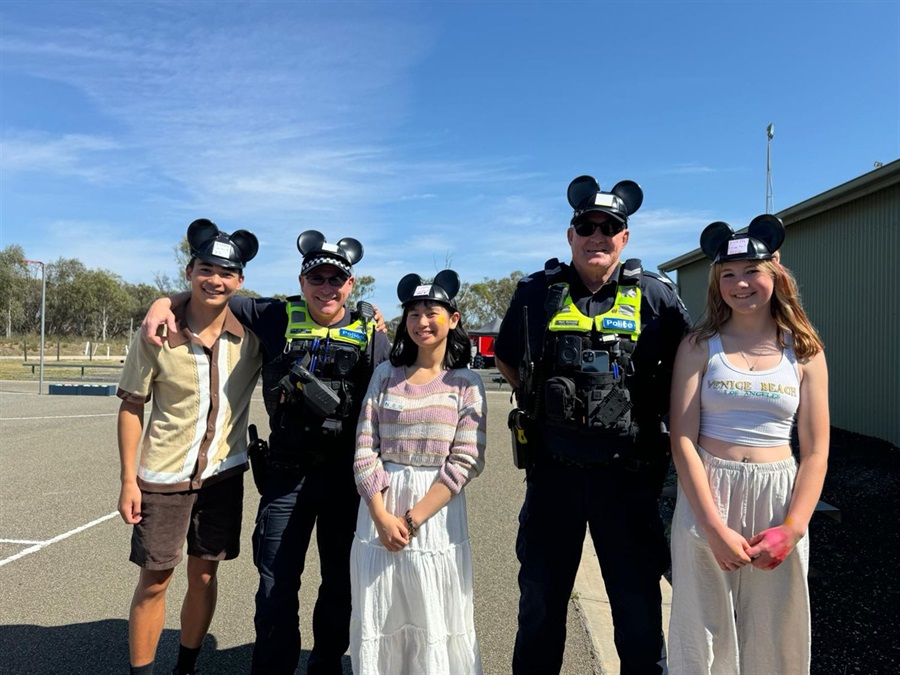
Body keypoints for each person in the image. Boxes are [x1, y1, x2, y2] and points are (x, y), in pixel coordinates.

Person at [141, 230, 391, 675]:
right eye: (317, 278)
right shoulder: (275, 315)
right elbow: (212, 293)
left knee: (339, 584)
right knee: (276, 584)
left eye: (337, 279)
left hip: (343, 481)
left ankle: (326, 664)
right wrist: (164, 301)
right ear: (301, 281)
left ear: (350, 285)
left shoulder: (370, 330)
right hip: (286, 477)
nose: (326, 287)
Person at [494, 175, 691, 674]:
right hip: (553, 475)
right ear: (570, 235)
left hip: (627, 478)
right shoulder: (535, 293)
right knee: (539, 604)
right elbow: (507, 358)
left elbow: (692, 370)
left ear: (625, 238)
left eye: (610, 227)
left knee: (638, 609)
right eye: (587, 225)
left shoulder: (655, 297)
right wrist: (537, 400)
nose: (597, 235)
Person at [667, 215, 829, 674]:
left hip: (778, 499)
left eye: (752, 271)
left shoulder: (804, 350)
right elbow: (682, 439)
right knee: (701, 632)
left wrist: (792, 529)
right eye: (728, 275)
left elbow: (815, 449)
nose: (741, 284)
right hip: (708, 494)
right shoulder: (700, 345)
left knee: (778, 634)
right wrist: (713, 529)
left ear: (775, 271)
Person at [118, 219, 261, 675]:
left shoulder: (253, 336)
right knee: (155, 580)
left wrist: (369, 315)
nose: (214, 279)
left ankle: (186, 667)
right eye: (206, 268)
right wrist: (127, 480)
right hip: (163, 477)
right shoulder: (156, 332)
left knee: (204, 575)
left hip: (224, 475)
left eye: (226, 272)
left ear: (240, 282)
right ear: (189, 271)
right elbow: (131, 408)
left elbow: (316, 308)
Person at [350, 269, 486, 675]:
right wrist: (381, 515)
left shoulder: (466, 383)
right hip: (381, 511)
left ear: (453, 320)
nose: (422, 322)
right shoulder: (385, 376)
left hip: (436, 516)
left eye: (432, 312)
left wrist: (411, 520)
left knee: (433, 612)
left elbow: (466, 459)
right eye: (413, 313)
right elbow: (364, 447)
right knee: (382, 608)